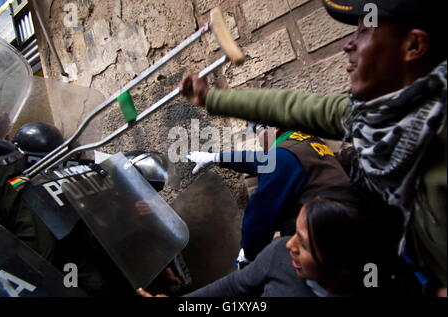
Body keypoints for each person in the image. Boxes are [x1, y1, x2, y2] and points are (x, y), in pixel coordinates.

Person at [180, 0, 447, 295]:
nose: (349, 44)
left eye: (364, 31)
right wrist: (216, 152)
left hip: (335, 247)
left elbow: (261, 208)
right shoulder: (353, 123)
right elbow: (262, 152)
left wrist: (249, 252)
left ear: (414, 45)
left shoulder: (282, 154)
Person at [137, 186, 399, 297]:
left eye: (305, 245)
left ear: (343, 263)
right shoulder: (280, 257)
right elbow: (231, 289)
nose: (289, 245)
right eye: (294, 233)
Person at [186, 124, 349, 266]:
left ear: (273, 128)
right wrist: (214, 157)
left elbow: (260, 214)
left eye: (259, 131)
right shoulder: (303, 141)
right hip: (342, 223)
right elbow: (253, 160)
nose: (258, 138)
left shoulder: (281, 157)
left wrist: (248, 254)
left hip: (330, 244)